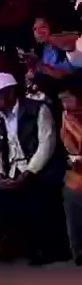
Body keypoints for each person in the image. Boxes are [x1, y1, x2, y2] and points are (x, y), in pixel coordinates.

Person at [0, 72, 70, 265]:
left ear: (10, 93)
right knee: (0, 197)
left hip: (41, 168)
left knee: (39, 195)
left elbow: (46, 144)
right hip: (13, 169)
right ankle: (22, 246)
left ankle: (52, 248)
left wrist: (29, 173)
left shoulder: (38, 109)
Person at [55, 77, 82, 265]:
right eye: (61, 99)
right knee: (70, 188)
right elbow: (70, 147)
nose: (64, 103)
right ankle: (78, 251)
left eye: (68, 98)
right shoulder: (66, 117)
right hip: (80, 169)